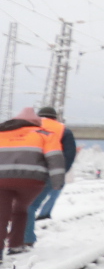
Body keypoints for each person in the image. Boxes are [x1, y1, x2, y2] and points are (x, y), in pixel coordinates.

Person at [0, 107, 64, 254]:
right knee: (21, 210)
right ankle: (15, 245)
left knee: (1, 215)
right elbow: (55, 159)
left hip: (1, 180)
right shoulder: (45, 134)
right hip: (31, 181)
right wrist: (57, 182)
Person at [24, 105, 76, 245]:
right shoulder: (64, 130)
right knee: (30, 206)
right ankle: (26, 239)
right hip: (49, 175)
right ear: (55, 118)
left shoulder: (28, 128)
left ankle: (22, 238)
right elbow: (69, 156)